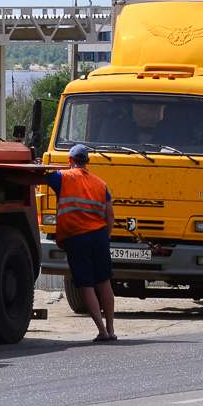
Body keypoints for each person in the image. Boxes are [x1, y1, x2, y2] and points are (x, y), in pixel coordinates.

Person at [46, 144, 117, 341]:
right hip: (99, 236)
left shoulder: (62, 177)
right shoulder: (100, 184)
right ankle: (111, 329)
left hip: (77, 238)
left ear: (70, 160)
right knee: (104, 283)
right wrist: (107, 236)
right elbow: (109, 215)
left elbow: (37, 176)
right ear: (87, 161)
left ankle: (101, 331)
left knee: (86, 285)